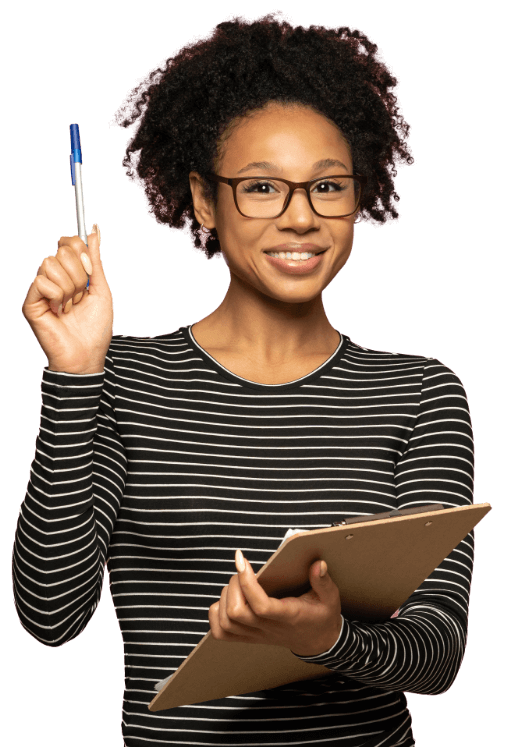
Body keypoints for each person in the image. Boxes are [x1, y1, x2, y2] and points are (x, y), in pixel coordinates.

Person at [17, 12, 474, 747]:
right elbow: (50, 615)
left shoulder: (419, 394)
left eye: (327, 187)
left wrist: (327, 636)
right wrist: (74, 374)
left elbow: (438, 654)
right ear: (204, 200)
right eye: (262, 187)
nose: (301, 219)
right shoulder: (123, 379)